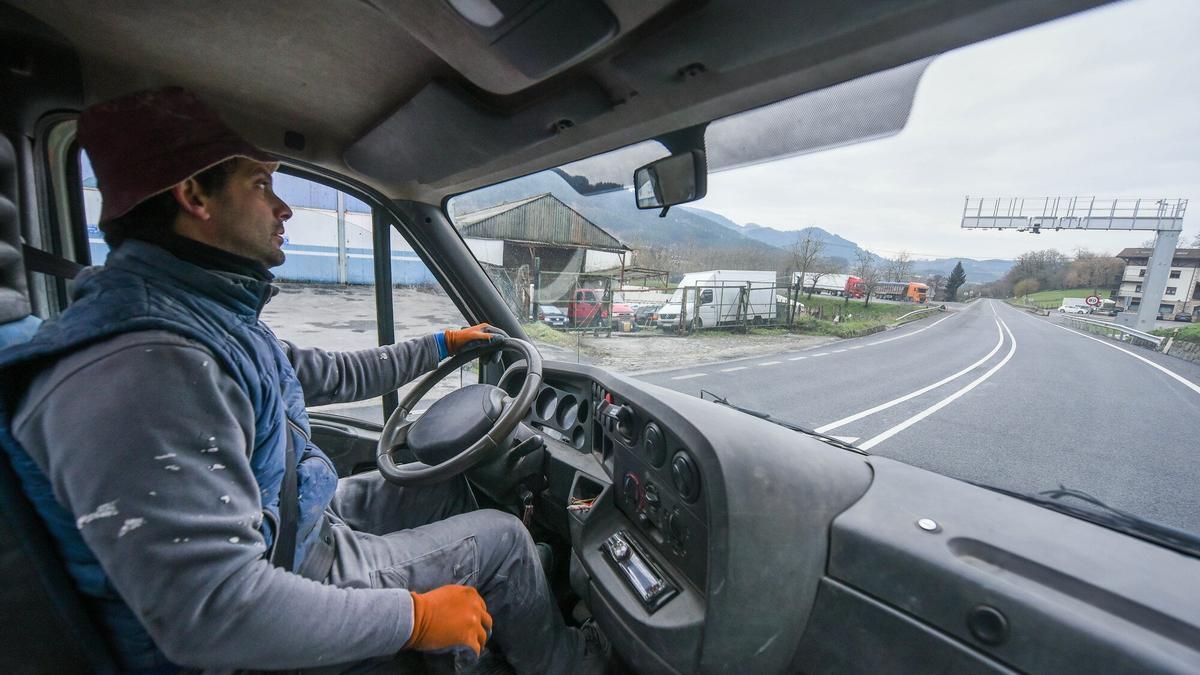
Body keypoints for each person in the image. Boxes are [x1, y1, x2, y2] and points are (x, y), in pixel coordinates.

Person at [0, 87, 599, 673]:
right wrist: (413, 618)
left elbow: (331, 373)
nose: (282, 207)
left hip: (295, 528)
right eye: (261, 185)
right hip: (284, 578)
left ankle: (493, 615)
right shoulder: (149, 368)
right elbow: (214, 614)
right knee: (505, 540)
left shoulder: (203, 317)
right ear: (193, 196)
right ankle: (570, 660)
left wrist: (443, 344)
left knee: (432, 483)